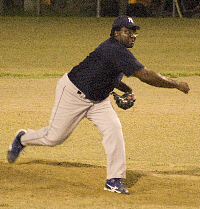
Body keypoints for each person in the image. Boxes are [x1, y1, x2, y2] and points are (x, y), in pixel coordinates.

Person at [7, 16, 190, 195]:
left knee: (114, 129)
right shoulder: (114, 49)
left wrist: (126, 88)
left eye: (134, 33)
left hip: (98, 100)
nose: (132, 36)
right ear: (116, 33)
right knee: (55, 138)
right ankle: (22, 138)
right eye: (127, 32)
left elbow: (109, 73)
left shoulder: (117, 51)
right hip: (72, 94)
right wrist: (176, 84)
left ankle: (114, 180)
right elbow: (145, 75)